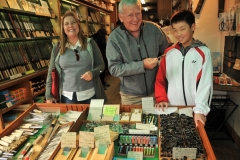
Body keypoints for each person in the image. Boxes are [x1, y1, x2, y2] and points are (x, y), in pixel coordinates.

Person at [106, 0, 171, 105]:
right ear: (121, 16)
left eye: (138, 13)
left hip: (156, 93)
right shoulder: (114, 38)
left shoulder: (154, 29)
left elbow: (169, 50)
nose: (135, 19)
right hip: (131, 97)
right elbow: (114, 69)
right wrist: (142, 65)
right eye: (130, 15)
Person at [154, 10, 213, 126]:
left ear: (192, 27)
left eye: (182, 29)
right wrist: (161, 98)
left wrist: (200, 110)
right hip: (171, 108)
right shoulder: (169, 53)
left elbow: (205, 84)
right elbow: (160, 79)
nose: (178, 34)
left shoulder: (203, 52)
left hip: (194, 110)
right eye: (174, 30)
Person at [45, 11, 107, 104]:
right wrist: (48, 95)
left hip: (91, 95)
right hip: (67, 97)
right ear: (63, 28)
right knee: (71, 119)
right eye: (66, 24)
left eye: (73, 22)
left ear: (78, 24)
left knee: (93, 119)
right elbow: (51, 72)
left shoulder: (90, 43)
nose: (70, 26)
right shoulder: (57, 47)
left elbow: (101, 66)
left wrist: (92, 73)